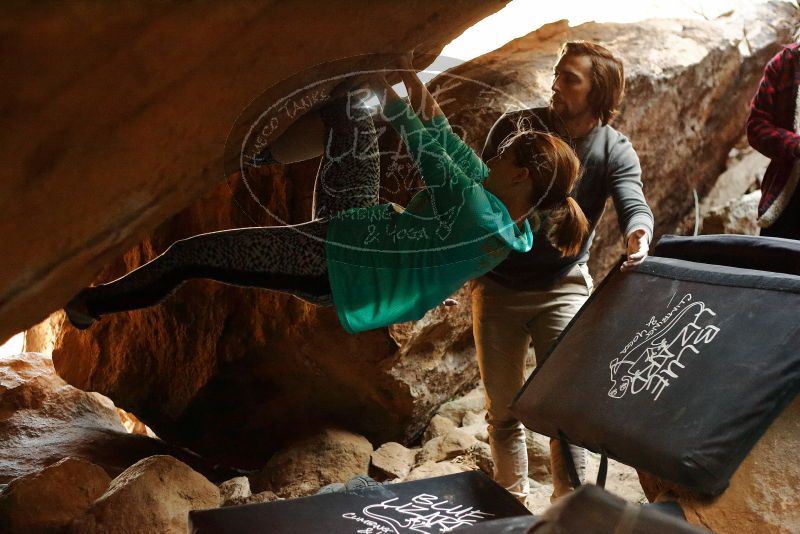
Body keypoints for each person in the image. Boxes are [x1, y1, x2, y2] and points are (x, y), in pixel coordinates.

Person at [64, 56, 590, 337]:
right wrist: (405, 70)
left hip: (334, 267)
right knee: (350, 112)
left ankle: (91, 305)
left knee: (189, 256)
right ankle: (248, 156)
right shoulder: (508, 214)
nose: (493, 158)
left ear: (521, 177)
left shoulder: (478, 214)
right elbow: (448, 139)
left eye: (504, 157)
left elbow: (426, 146)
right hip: (361, 222)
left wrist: (394, 96)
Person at [474, 41, 654, 501]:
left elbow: (633, 202)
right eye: (557, 73)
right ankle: (508, 504)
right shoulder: (516, 128)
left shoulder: (613, 149)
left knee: (565, 408)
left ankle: (568, 511)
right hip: (497, 288)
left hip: (563, 288)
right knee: (503, 410)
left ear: (599, 91)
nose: (556, 83)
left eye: (570, 78)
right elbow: (477, 196)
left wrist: (640, 233)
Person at [748, 42, 800, 239]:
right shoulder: (785, 63)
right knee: (774, 267)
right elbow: (757, 127)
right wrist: (796, 145)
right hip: (787, 200)